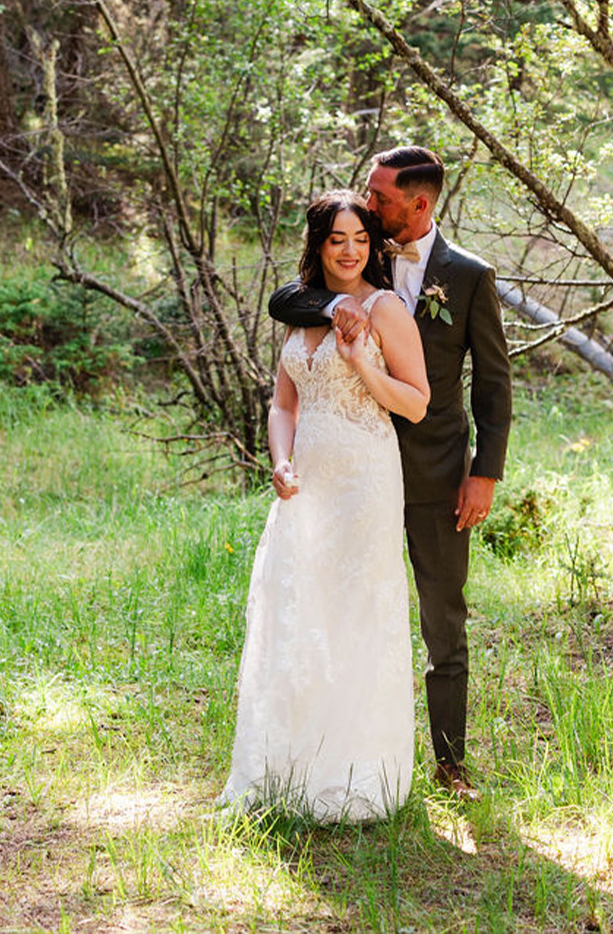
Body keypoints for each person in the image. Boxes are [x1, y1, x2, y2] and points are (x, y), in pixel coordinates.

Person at [268, 147, 512, 801]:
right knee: (344, 609)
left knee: (442, 617)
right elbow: (287, 297)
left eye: (379, 197)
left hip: (435, 472)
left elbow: (493, 385)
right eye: (367, 197)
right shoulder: (360, 251)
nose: (368, 204)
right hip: (352, 469)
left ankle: (450, 765)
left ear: (419, 203)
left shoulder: (466, 276)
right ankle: (336, 753)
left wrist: (484, 473)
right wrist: (334, 314)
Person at [219, 190, 430, 822]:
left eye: (361, 240)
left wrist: (358, 364)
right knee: (297, 612)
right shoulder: (303, 310)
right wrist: (279, 461)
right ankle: (287, 768)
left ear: (372, 246)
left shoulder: (385, 309)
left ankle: (354, 772)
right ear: (318, 244)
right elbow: (284, 404)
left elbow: (416, 402)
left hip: (365, 480)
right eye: (337, 239)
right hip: (305, 481)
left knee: (355, 614)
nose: (350, 251)